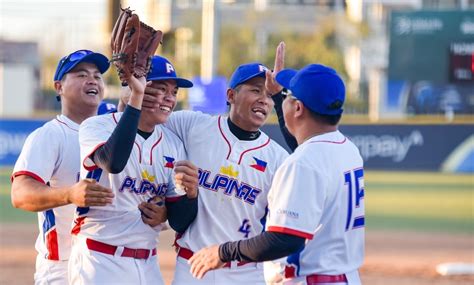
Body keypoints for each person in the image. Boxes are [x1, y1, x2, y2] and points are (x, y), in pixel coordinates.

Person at [189, 64, 366, 285]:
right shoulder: (346, 149)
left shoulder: (304, 162)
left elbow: (284, 240)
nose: (279, 100)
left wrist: (223, 252)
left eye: (287, 95)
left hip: (313, 279)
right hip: (343, 277)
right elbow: (306, 150)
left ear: (298, 108)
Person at [138, 43, 289, 285]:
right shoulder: (192, 126)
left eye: (270, 95)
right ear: (231, 95)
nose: (264, 100)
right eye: (255, 90)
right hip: (192, 267)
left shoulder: (279, 158)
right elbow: (143, 123)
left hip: (246, 273)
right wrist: (132, 93)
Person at [69, 55, 199, 285]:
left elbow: (179, 222)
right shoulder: (98, 125)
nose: (169, 98)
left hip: (148, 263)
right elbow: (113, 162)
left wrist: (190, 195)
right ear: (138, 88)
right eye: (160, 89)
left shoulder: (172, 143)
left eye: (174, 92)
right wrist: (135, 99)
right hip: (99, 260)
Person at [10, 49, 115, 284]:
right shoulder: (50, 135)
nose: (92, 79)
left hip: (110, 264)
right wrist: (69, 194)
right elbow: (20, 194)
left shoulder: (114, 136)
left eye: (97, 75)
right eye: (80, 74)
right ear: (59, 87)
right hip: (63, 268)